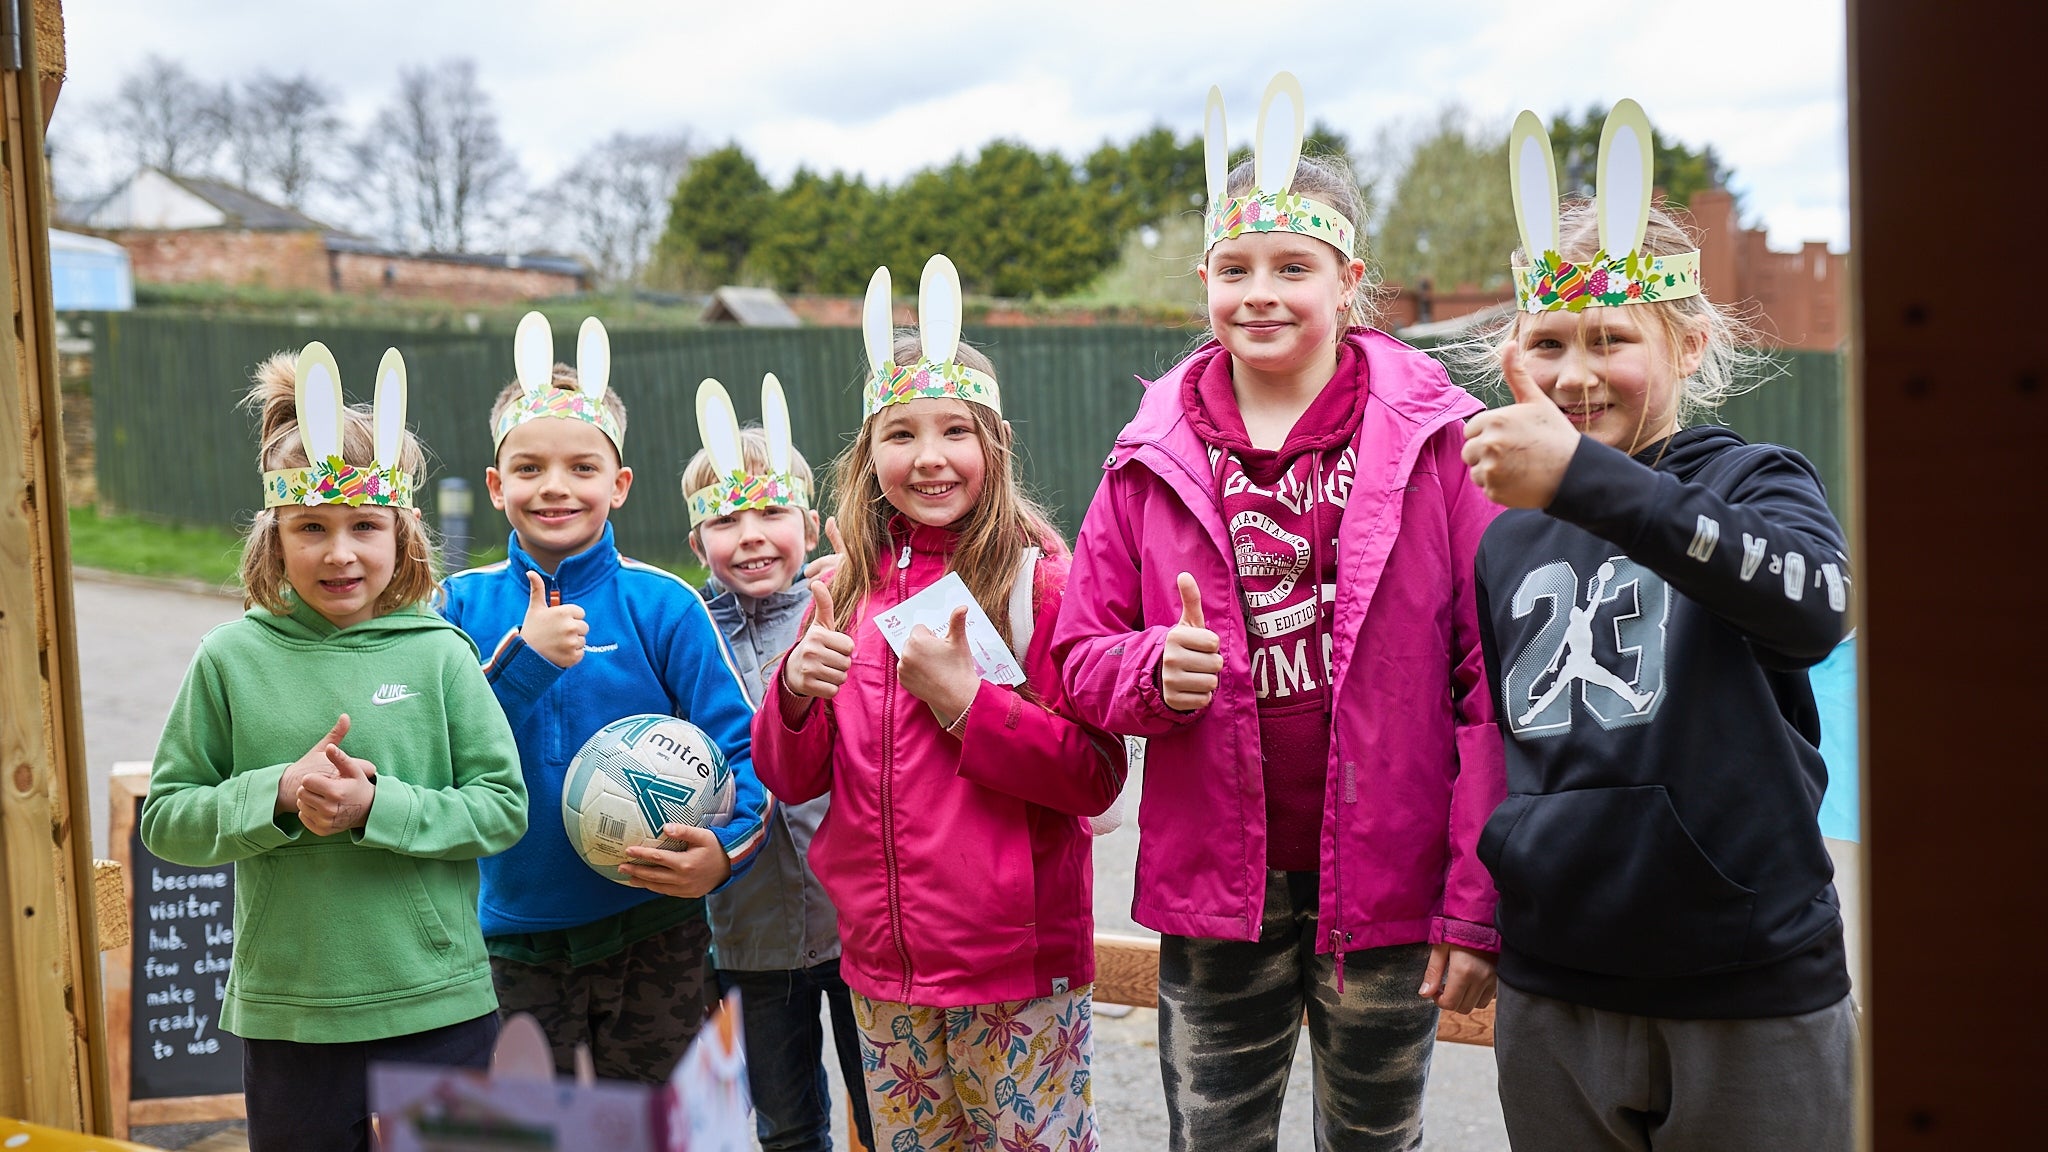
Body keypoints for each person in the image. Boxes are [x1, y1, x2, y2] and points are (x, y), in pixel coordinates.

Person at [1050, 73, 1506, 1152]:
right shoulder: (1144, 458)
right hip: (1218, 890)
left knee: (1372, 1141)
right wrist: (1149, 672)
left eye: (1292, 269)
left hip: (1388, 891)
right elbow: (1076, 656)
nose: (1261, 293)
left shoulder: (1441, 444)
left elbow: (1492, 678)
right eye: (1235, 269)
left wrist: (1475, 892)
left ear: (1348, 282)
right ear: (1204, 280)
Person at [1460, 102, 1854, 1151]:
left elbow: (1814, 608)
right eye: (1547, 343)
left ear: (1687, 345)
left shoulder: (1750, 482)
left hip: (1749, 981)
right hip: (1557, 985)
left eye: (1610, 340)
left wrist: (1591, 485)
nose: (1576, 374)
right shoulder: (1505, 542)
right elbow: (1505, 746)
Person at [755, 256, 1125, 1152]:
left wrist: (967, 705)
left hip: (1015, 972)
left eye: (955, 430)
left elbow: (1097, 778)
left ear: (993, 445)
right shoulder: (843, 590)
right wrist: (795, 695)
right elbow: (793, 775)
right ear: (868, 453)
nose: (928, 458)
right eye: (900, 434)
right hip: (881, 970)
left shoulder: (1041, 580)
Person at [143, 344, 528, 1152]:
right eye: (310, 527)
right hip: (291, 1012)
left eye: (364, 526)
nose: (339, 551)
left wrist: (375, 806)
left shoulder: (442, 653)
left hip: (440, 1004)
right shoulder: (230, 660)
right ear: (273, 536)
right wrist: (277, 794)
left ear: (403, 534)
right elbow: (169, 819)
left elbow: (501, 809)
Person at [439, 313, 771, 1083]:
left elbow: (747, 753)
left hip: (656, 931)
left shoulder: (664, 607)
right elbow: (435, 750)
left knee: (663, 1130)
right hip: (503, 941)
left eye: (582, 468)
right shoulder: (458, 607)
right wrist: (525, 664)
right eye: (528, 469)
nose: (555, 486)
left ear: (618, 485)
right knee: (524, 1141)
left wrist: (721, 858)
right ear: (496, 486)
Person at [682, 376, 874, 1152]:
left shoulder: (853, 611)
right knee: (788, 1124)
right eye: (726, 519)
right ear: (697, 541)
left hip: (861, 923)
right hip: (748, 935)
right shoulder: (685, 633)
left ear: (810, 523)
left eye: (771, 512)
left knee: (891, 1107)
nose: (752, 535)